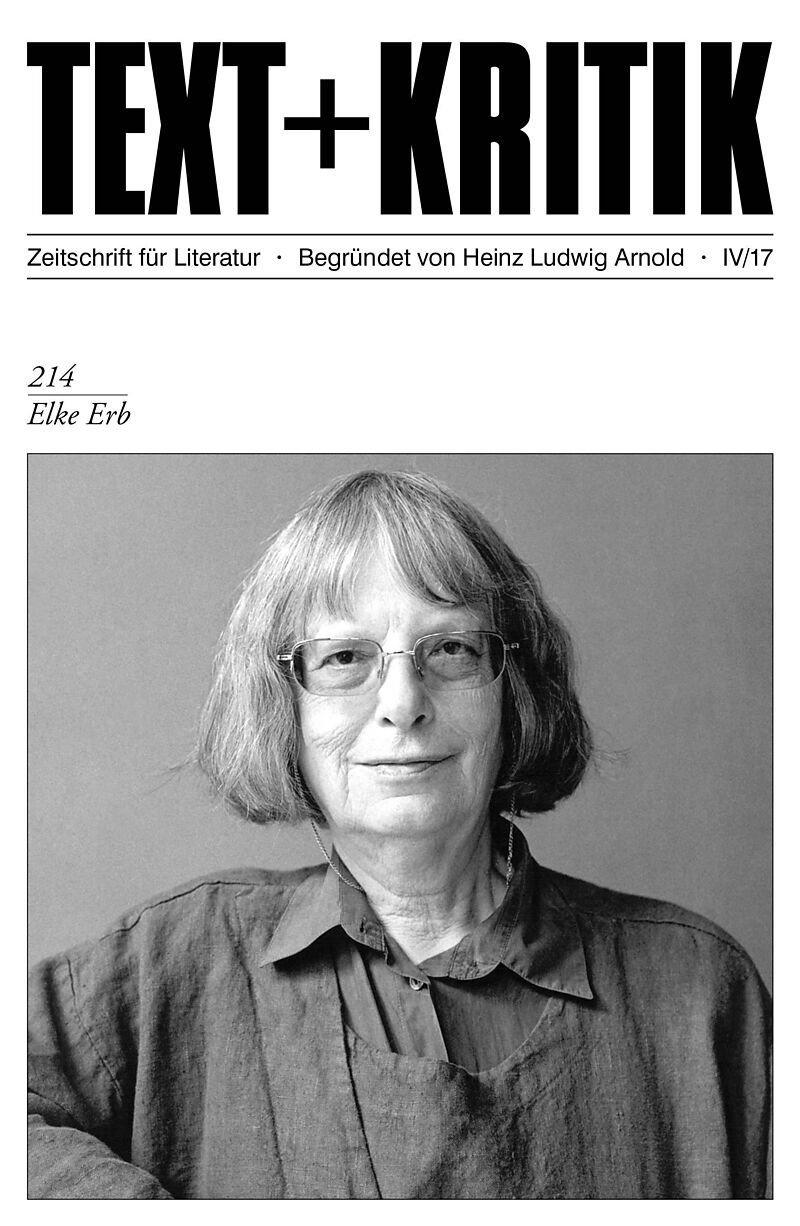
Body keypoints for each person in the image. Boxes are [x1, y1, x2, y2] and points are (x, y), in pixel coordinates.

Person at [28, 469, 770, 1199]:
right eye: (344, 658)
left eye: (450, 649)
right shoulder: (174, 964)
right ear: (281, 708)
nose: (403, 703)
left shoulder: (702, 992)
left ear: (512, 691)